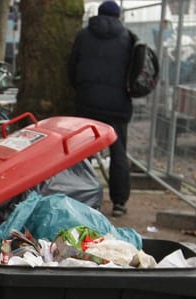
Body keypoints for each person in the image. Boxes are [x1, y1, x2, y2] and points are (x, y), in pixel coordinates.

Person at [68, 0, 133, 217]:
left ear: (98, 13)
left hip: (87, 104)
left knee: (82, 152)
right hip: (117, 106)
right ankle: (119, 203)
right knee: (118, 153)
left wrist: (82, 90)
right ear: (118, 16)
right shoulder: (128, 38)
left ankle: (83, 197)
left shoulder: (83, 36)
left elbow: (72, 68)